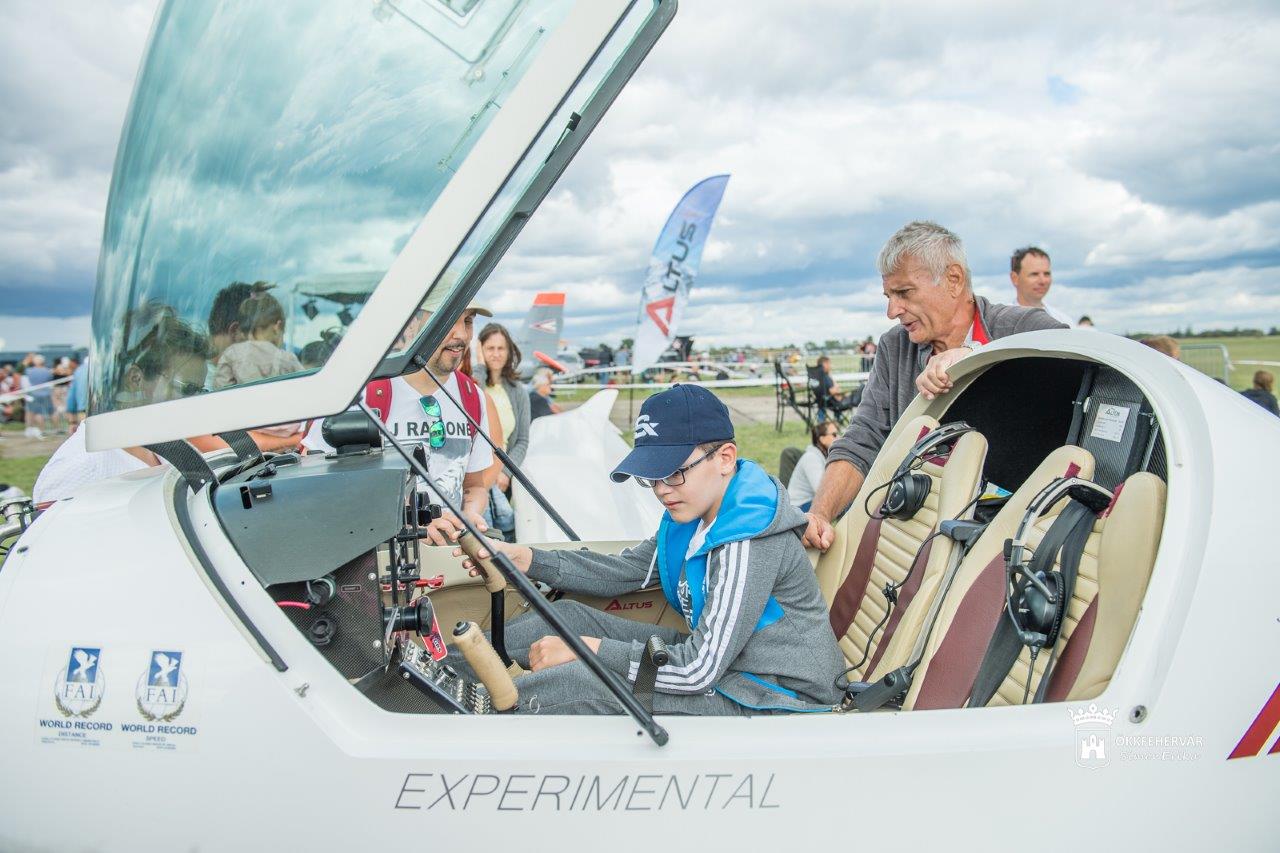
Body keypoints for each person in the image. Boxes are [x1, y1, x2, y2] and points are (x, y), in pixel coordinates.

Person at [444, 384, 845, 715]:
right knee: (561, 616)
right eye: (651, 478)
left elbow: (697, 671)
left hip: (771, 694)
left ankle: (478, 733)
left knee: (583, 679)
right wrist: (528, 558)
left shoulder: (748, 538)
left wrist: (590, 651)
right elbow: (624, 571)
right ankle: (438, 685)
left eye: (672, 473)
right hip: (726, 667)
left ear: (725, 458)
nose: (661, 490)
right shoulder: (689, 517)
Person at [804, 221, 1066, 550]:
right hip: (916, 535)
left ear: (953, 280)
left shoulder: (1024, 327)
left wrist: (975, 356)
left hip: (1015, 538)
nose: (891, 311)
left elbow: (1084, 367)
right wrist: (820, 515)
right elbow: (862, 441)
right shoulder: (895, 347)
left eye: (904, 293)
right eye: (888, 296)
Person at [303, 294, 494, 545]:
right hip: (377, 560)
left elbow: (475, 485)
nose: (461, 334)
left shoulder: (473, 397)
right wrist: (406, 521)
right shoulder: (361, 391)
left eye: (468, 321)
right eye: (448, 320)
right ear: (412, 324)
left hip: (449, 558)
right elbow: (310, 474)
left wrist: (469, 515)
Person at [34, 319, 210, 504]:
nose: (196, 401)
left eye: (201, 391)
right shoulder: (80, 467)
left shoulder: (167, 446)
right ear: (135, 379)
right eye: (187, 389)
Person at [479, 323, 531, 541]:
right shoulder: (471, 384)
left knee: (505, 531)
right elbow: (474, 412)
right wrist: (479, 368)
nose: (496, 354)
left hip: (501, 478)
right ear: (480, 351)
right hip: (476, 475)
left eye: (501, 348)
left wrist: (505, 472)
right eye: (490, 348)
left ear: (509, 352)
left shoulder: (518, 391)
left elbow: (521, 440)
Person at [213, 284, 304, 388]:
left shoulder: (230, 355)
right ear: (277, 327)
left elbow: (220, 389)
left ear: (241, 330)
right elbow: (305, 388)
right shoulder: (287, 359)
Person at [1009, 246, 1073, 326]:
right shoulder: (1000, 323)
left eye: (1047, 274)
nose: (1042, 281)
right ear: (1015, 278)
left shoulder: (1064, 321)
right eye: (1034, 274)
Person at [788, 421, 838, 510]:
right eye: (834, 435)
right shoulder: (811, 458)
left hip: (808, 502)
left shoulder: (823, 455)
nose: (839, 438)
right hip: (799, 508)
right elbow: (821, 491)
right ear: (822, 439)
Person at [813, 355, 856, 420]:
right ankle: (838, 420)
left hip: (822, 401)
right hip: (834, 403)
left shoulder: (817, 376)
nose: (830, 365)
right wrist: (842, 393)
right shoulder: (825, 377)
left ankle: (835, 421)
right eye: (829, 363)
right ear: (825, 364)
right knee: (861, 388)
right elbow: (834, 392)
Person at [22, 355, 53, 439]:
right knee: (46, 412)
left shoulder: (29, 370)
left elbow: (22, 370)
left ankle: (37, 429)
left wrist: (27, 360)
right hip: (46, 393)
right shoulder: (48, 371)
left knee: (35, 412)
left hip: (34, 393)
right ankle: (45, 430)